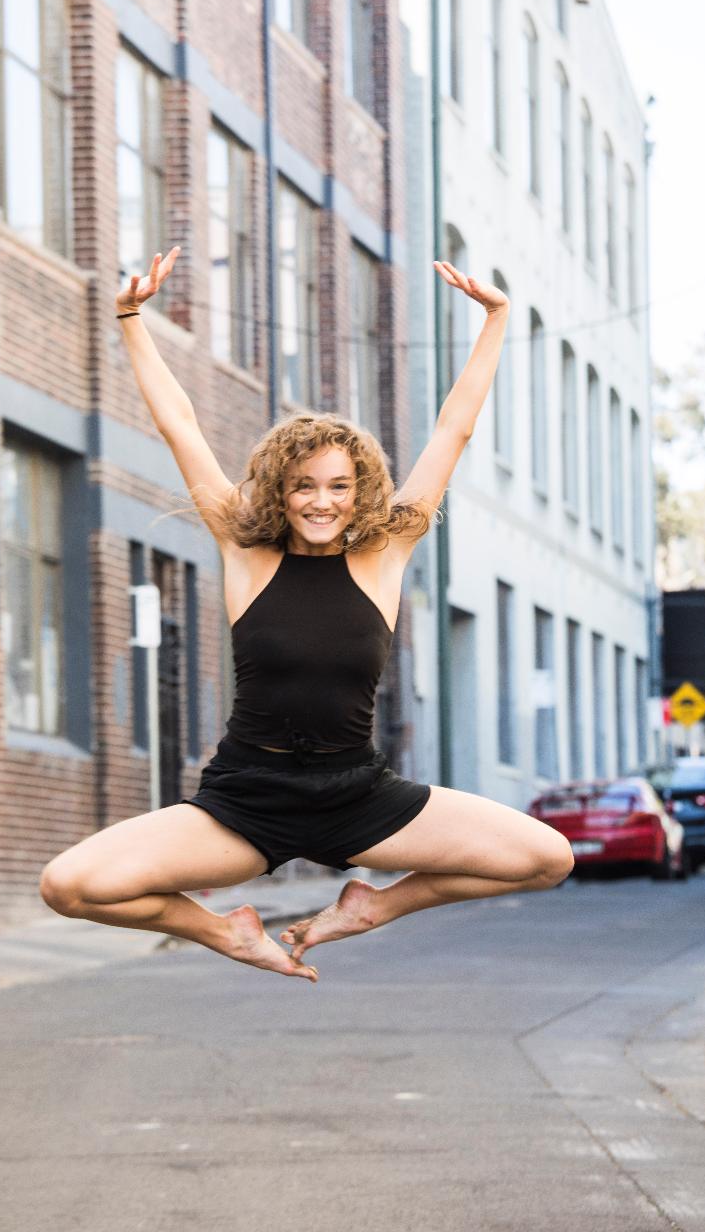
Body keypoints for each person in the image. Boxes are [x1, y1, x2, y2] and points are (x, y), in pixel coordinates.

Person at [39, 246, 574, 983]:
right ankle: (225, 933)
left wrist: (496, 319)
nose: (320, 501)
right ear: (279, 490)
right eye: (303, 486)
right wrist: (131, 318)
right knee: (68, 885)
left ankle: (369, 908)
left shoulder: (385, 553)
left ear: (360, 491)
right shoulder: (243, 550)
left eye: (337, 486)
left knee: (547, 858)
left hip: (358, 793)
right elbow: (181, 429)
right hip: (246, 798)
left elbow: (453, 430)